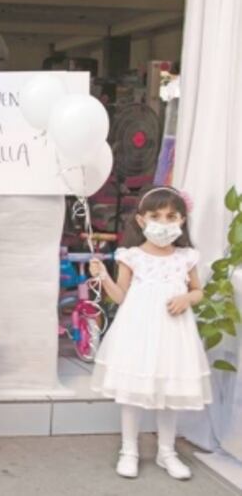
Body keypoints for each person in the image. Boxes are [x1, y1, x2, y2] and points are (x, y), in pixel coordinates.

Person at [89, 186, 211, 481]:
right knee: (133, 392)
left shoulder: (186, 257)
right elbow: (120, 297)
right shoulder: (131, 256)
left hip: (174, 332)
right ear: (142, 220)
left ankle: (166, 451)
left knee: (170, 391)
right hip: (138, 330)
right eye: (156, 215)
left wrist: (186, 299)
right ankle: (128, 450)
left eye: (171, 216)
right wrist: (103, 276)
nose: (164, 222)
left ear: (182, 220)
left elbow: (198, 292)